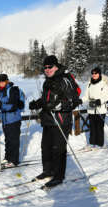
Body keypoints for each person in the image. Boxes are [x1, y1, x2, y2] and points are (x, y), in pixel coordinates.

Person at [29, 55, 80, 188]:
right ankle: (48, 171)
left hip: (61, 120)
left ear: (56, 66)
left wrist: (57, 106)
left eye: (50, 66)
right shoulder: (47, 81)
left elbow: (72, 101)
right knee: (45, 147)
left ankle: (58, 176)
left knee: (58, 149)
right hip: (48, 119)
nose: (47, 69)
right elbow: (46, 100)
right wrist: (37, 103)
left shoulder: (64, 79)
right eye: (45, 67)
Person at [81, 67, 108, 149]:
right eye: (92, 73)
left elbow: (105, 97)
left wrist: (98, 101)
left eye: (95, 73)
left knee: (99, 128)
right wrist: (80, 101)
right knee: (92, 127)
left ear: (99, 74)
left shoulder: (104, 84)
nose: (94, 75)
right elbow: (86, 96)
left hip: (100, 109)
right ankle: (92, 143)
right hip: (91, 109)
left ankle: (100, 144)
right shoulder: (89, 84)